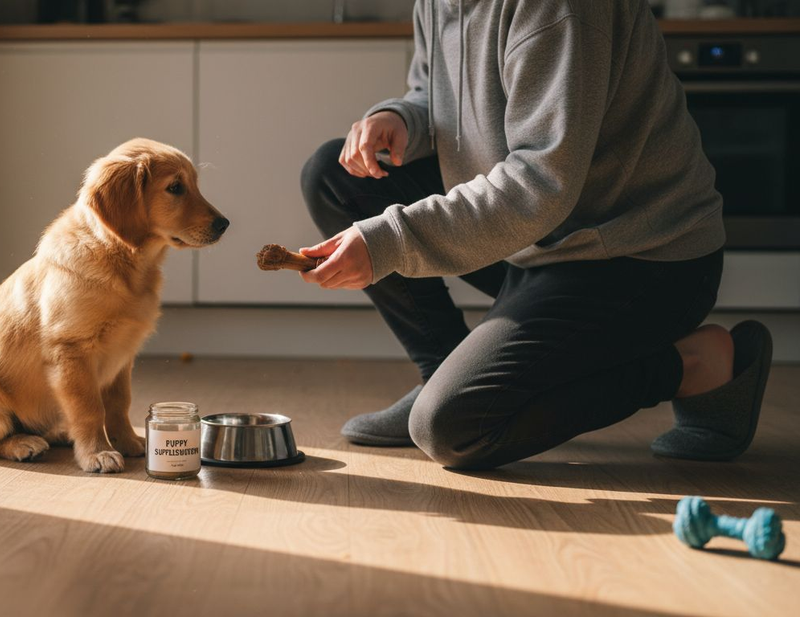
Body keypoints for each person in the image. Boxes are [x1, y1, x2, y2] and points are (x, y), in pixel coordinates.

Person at [298, 0, 773, 470]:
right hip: (536, 239)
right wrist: (403, 118)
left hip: (636, 256)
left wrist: (391, 241)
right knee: (334, 175)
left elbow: (541, 181)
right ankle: (444, 368)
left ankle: (691, 365)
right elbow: (435, 91)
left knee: (452, 427)